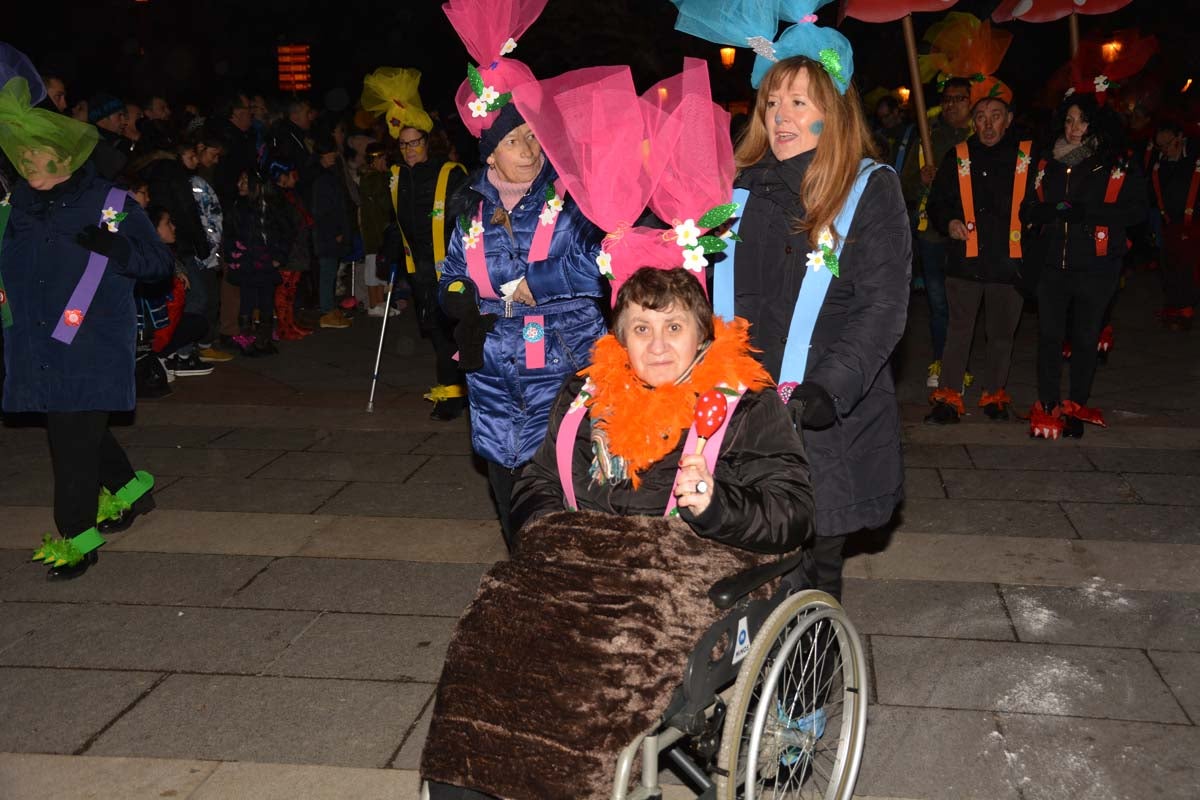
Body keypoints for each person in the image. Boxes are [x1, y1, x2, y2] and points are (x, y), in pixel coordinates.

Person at [422, 267, 815, 800]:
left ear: (702, 333)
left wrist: (718, 504)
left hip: (682, 572)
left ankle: (565, 780)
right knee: (494, 619)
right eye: (641, 329)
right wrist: (547, 534)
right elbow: (536, 481)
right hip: (577, 560)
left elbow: (792, 511)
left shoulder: (745, 404)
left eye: (673, 328)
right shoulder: (585, 394)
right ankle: (462, 783)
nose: (657, 345)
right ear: (618, 338)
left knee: (606, 656)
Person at [723, 49, 910, 603]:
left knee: (809, 573)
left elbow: (880, 308)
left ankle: (810, 687)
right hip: (738, 410)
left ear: (833, 111)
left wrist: (830, 387)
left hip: (821, 416)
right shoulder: (735, 189)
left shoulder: (868, 189)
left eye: (799, 103)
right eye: (772, 102)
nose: (780, 116)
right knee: (738, 567)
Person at [0, 72, 172, 579]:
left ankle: (77, 537)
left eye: (40, 154)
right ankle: (130, 490)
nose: (30, 163)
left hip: (91, 343)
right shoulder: (16, 211)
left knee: (69, 442)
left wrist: (119, 250)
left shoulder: (111, 205)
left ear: (66, 155)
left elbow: (158, 264)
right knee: (77, 429)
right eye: (22, 155)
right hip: (36, 343)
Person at [438, 106, 606, 548]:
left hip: (565, 363)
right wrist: (458, 299)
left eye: (532, 136)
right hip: (493, 368)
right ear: (490, 155)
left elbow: (606, 264)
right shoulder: (469, 213)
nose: (529, 150)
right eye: (513, 141)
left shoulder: (573, 202)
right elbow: (452, 271)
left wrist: (543, 281)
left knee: (564, 494)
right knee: (507, 486)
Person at [1019, 95, 1145, 439]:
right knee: (1048, 337)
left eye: (1083, 121)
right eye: (1070, 120)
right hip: (1051, 265)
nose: (1074, 129)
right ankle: (1048, 404)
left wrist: (1086, 212)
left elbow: (1136, 212)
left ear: (1098, 125)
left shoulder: (1116, 163)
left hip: (1097, 266)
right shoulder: (1046, 161)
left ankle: (1075, 404)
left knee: (1086, 338)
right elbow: (1027, 207)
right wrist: (1043, 211)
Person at [926, 78, 1033, 425]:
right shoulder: (957, 157)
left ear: (1009, 119)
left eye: (996, 116)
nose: (988, 124)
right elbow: (937, 203)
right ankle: (949, 396)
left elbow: (1041, 202)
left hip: (1009, 262)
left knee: (1002, 333)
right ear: (974, 123)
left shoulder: (1027, 158)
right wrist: (950, 221)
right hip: (965, 261)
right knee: (959, 330)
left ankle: (994, 394)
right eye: (981, 117)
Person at [912, 77, 973, 388]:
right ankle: (941, 363)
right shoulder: (927, 136)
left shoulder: (980, 136)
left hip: (971, 234)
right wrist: (921, 180)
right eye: (947, 98)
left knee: (965, 304)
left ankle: (960, 365)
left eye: (960, 98)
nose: (952, 104)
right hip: (933, 234)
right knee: (938, 304)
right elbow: (902, 184)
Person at [224, 170, 284, 355]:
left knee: (267, 298)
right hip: (247, 262)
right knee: (247, 299)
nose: (240, 185)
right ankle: (246, 337)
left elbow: (283, 231)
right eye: (239, 181)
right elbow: (230, 234)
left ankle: (263, 338)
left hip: (265, 261)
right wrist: (234, 254)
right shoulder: (237, 207)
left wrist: (279, 255)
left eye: (245, 181)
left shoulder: (270, 206)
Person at [1148, 118, 1200, 329]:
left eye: (1168, 144)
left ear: (1180, 138)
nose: (1165, 150)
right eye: (1160, 146)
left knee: (1189, 267)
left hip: (1195, 222)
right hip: (1170, 223)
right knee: (1169, 264)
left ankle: (1185, 309)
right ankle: (1176, 305)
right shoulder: (1160, 165)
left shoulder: (1194, 158)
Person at [310, 135, 354, 328]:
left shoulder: (327, 174)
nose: (334, 156)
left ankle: (329, 309)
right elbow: (323, 210)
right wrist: (335, 231)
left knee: (331, 271)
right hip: (326, 234)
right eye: (330, 153)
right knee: (327, 271)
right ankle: (326, 312)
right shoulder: (321, 178)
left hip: (330, 232)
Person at [356, 140, 397, 317]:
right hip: (374, 230)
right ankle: (373, 304)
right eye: (382, 159)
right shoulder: (374, 179)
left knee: (380, 266)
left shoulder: (374, 178)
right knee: (373, 267)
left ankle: (380, 303)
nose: (385, 162)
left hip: (379, 229)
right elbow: (385, 204)